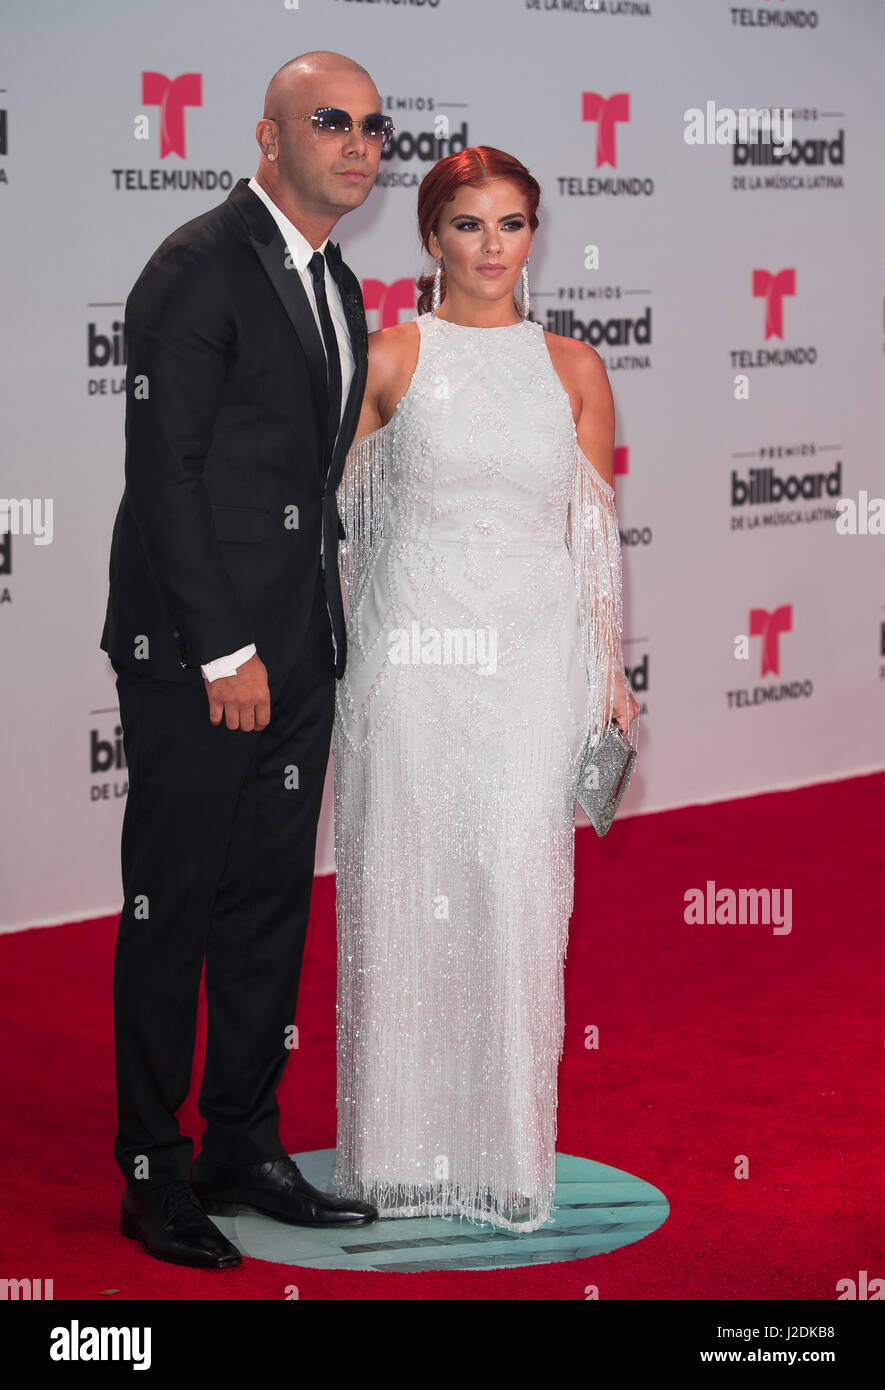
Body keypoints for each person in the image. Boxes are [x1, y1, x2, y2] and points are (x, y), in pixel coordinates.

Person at [100, 51, 390, 1268]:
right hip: (196, 655)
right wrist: (224, 651)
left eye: (376, 127)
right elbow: (164, 477)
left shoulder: (336, 279)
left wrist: (305, 640)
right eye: (332, 122)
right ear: (268, 139)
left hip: (295, 652)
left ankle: (241, 1140)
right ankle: (155, 1170)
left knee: (269, 909)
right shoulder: (196, 266)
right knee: (174, 911)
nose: (361, 143)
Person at [333, 147, 639, 1232]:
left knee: (515, 898)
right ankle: (399, 1155)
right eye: (469, 225)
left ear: (533, 234)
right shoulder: (389, 358)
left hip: (530, 668)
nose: (493, 246)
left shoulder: (573, 369)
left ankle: (507, 1158)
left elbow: (591, 530)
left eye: (512, 224)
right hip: (410, 666)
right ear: (431, 239)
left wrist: (609, 667)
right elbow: (343, 528)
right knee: (404, 897)